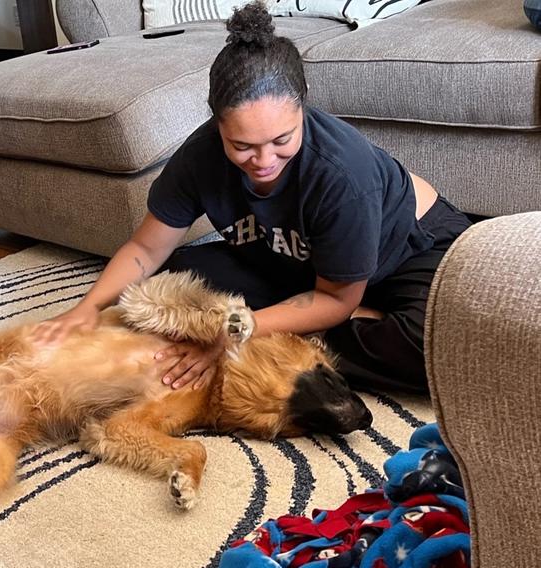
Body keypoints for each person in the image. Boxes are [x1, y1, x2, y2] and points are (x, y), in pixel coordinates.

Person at [32, 1, 472, 393]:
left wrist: (236, 333)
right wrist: (88, 307)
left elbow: (337, 299)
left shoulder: (343, 173)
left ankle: (298, 322)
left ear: (303, 105)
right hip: (294, 260)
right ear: (218, 125)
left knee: (439, 351)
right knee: (163, 288)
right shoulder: (201, 155)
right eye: (242, 146)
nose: (264, 160)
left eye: (283, 139)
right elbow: (147, 247)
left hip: (408, 251)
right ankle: (295, 320)